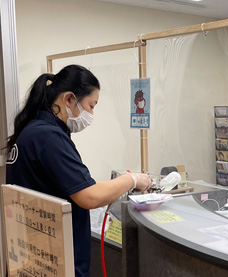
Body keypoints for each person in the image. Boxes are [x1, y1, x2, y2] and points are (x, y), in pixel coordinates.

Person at [5, 64, 153, 277]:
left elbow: (79, 185)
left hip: (33, 255)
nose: (92, 114)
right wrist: (132, 179)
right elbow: (89, 196)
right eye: (91, 105)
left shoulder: (32, 131)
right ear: (69, 99)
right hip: (55, 259)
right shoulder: (49, 137)